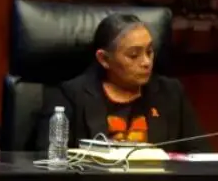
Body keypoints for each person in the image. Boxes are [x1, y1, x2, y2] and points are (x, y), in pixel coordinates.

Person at [36, 13, 209, 152]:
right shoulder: (69, 96)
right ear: (104, 59)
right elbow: (49, 158)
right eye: (134, 55)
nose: (146, 62)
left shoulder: (171, 93)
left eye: (149, 51)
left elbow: (201, 156)